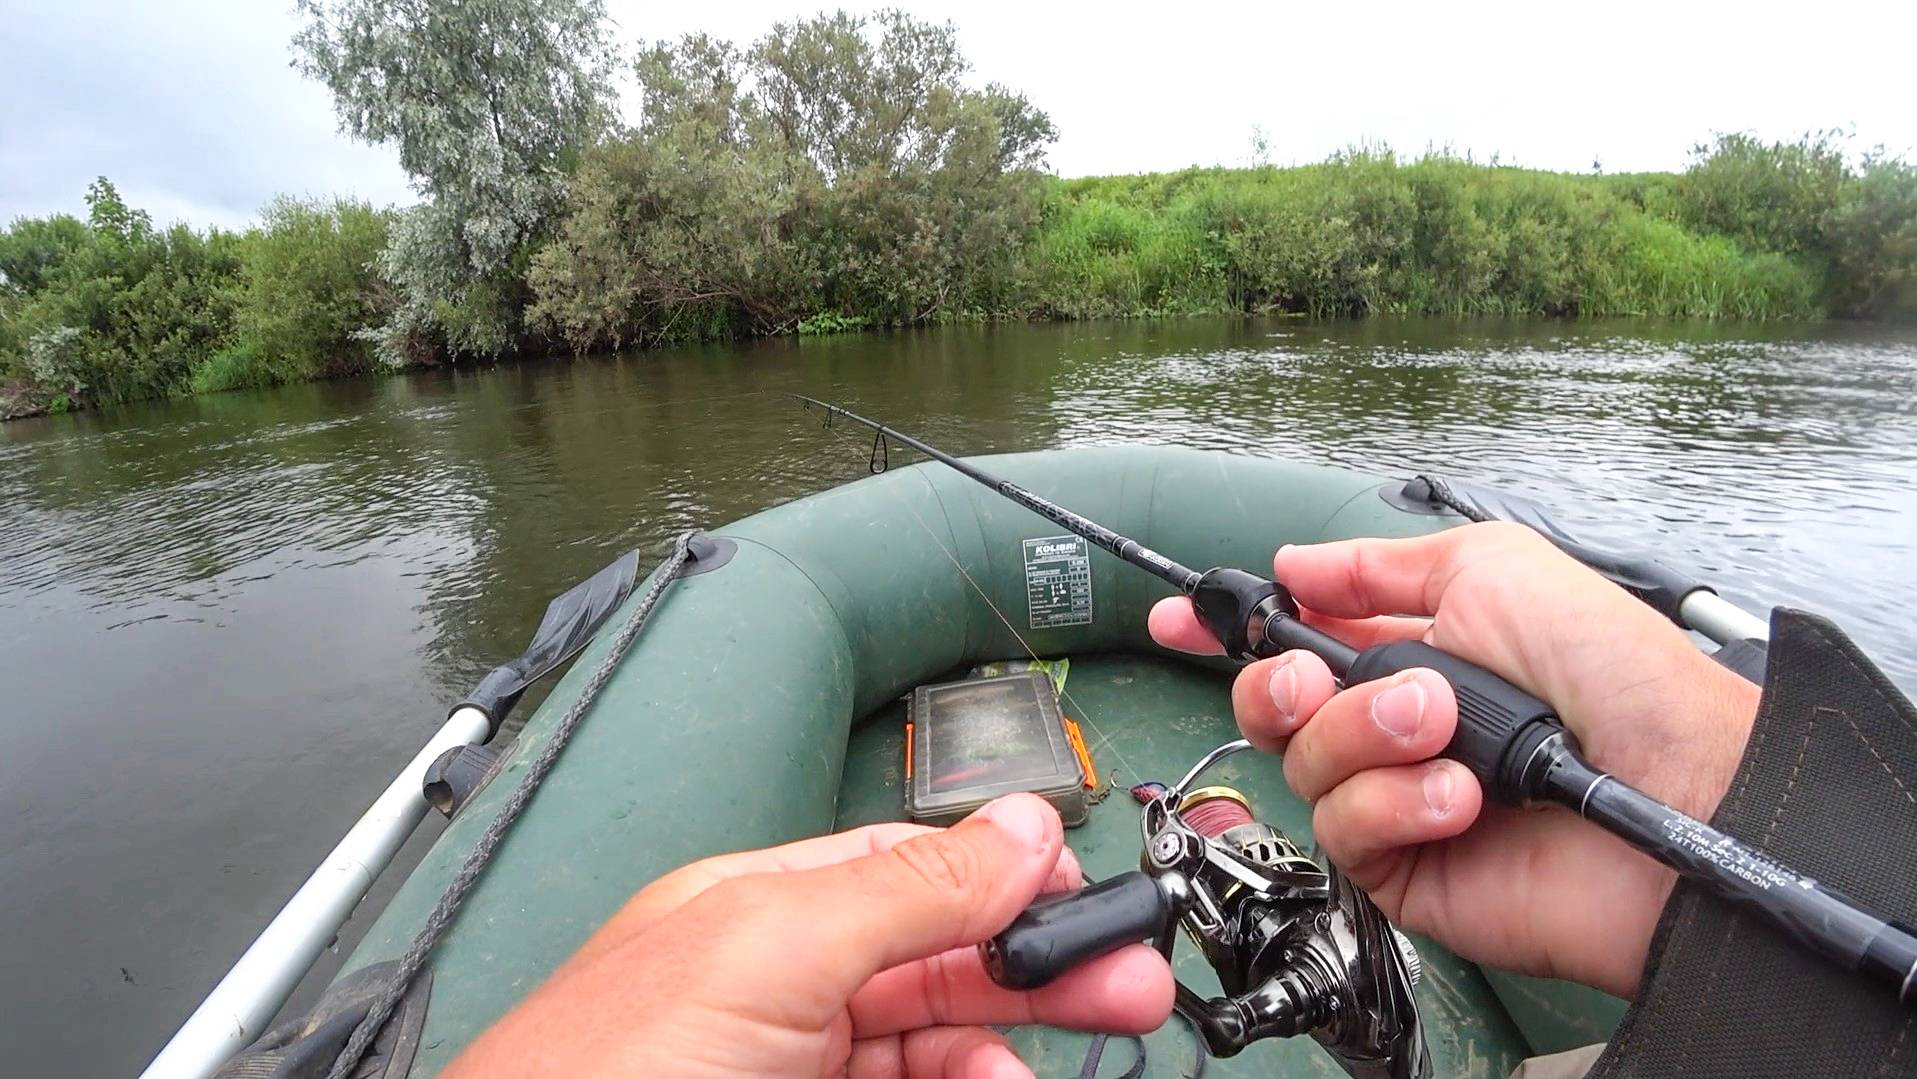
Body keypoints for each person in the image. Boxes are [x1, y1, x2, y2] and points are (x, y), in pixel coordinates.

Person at [446, 523, 1762, 1077]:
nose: (1217, 841)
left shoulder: (1278, 939)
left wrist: (1186, 935)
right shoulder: (1285, 878)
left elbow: (1238, 1011)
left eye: (1222, 841)